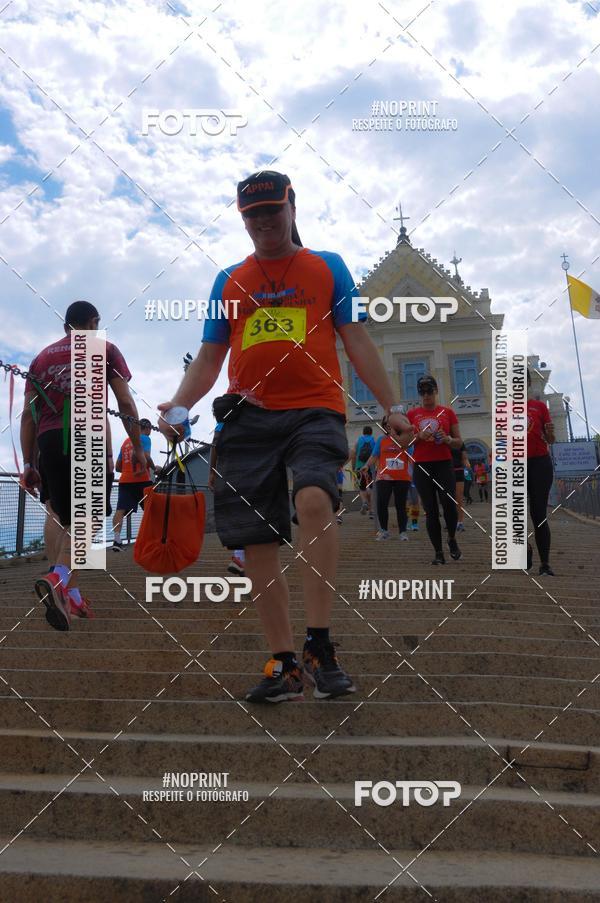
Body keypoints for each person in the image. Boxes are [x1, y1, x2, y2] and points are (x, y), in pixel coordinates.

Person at [158, 169, 412, 703]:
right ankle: (285, 662)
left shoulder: (328, 268)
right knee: (255, 538)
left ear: (292, 206)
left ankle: (320, 644)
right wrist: (182, 404)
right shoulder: (229, 280)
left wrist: (393, 406)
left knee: (316, 499)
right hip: (247, 417)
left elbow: (358, 340)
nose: (264, 222)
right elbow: (209, 357)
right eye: (252, 215)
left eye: (272, 210)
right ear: (242, 219)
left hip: (315, 410)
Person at [20, 300, 145, 630]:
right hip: (86, 435)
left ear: (65, 327)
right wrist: (139, 449)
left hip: (48, 442)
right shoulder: (105, 349)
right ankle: (59, 576)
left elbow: (27, 417)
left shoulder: (40, 359)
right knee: (90, 515)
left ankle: (69, 593)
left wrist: (29, 463)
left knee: (57, 513)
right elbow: (126, 402)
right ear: (93, 322)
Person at [406, 374, 464, 565]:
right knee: (430, 510)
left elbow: (459, 442)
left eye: (429, 391)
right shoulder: (412, 415)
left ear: (436, 391)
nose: (426, 395)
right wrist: (419, 436)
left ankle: (452, 538)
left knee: (449, 505)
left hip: (443, 463)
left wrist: (447, 439)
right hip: (422, 465)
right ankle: (438, 552)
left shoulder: (447, 412)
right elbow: (405, 443)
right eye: (422, 392)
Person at [362, 416, 411, 540]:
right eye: (386, 424)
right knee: (382, 503)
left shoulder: (406, 440)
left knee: (401, 504)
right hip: (384, 476)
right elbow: (374, 456)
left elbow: (412, 458)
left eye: (392, 424)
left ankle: (403, 532)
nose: (389, 426)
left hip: (402, 477)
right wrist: (367, 465)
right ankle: (384, 531)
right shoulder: (381, 440)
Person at [526, 369, 555, 575]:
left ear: (527, 383)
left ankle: (545, 564)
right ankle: (524, 549)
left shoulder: (538, 407)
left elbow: (550, 439)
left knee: (538, 514)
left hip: (539, 463)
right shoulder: (503, 409)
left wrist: (551, 434)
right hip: (515, 466)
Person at [112, 418, 155, 551]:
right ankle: (152, 539)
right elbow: (146, 457)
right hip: (142, 480)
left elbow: (117, 466)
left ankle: (117, 541)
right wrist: (154, 468)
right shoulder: (145, 438)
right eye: (151, 428)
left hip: (125, 481)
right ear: (146, 428)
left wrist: (128, 469)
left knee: (120, 510)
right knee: (151, 509)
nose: (151, 431)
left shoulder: (126, 442)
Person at [353, 426, 375, 516]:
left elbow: (354, 454)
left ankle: (364, 502)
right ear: (371, 432)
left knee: (362, 487)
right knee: (371, 488)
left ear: (363, 432)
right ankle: (372, 510)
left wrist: (354, 467)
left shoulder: (358, 440)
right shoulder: (374, 441)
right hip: (371, 467)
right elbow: (376, 455)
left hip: (360, 466)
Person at [451, 443, 470, 531]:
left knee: (459, 498)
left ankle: (460, 522)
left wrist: (467, 463)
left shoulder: (460, 443)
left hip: (458, 471)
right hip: (445, 472)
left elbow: (464, 458)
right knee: (449, 499)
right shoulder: (441, 440)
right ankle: (450, 521)